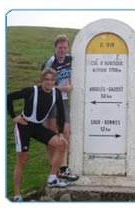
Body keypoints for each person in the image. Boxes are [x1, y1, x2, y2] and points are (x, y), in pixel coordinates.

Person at [8, 68, 71, 202]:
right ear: (42, 80)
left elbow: (61, 113)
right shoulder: (31, 91)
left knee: (62, 144)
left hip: (37, 127)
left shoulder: (56, 93)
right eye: (46, 80)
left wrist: (60, 133)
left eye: (52, 80)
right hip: (23, 126)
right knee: (22, 160)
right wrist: (14, 117)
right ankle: (17, 195)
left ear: (55, 81)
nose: (49, 82)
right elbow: (9, 97)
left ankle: (53, 178)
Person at [41, 34, 78, 181]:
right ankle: (54, 168)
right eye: (59, 47)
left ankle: (63, 168)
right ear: (55, 48)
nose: (62, 50)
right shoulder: (50, 62)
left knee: (66, 132)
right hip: (50, 100)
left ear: (67, 48)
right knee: (51, 134)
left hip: (63, 100)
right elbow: (45, 85)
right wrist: (63, 88)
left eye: (64, 47)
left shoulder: (70, 59)